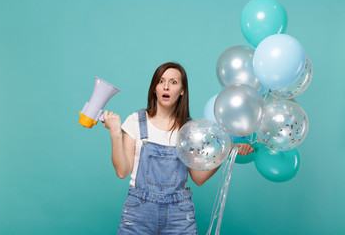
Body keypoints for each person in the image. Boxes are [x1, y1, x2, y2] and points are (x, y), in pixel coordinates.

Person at [102, 62, 254, 234]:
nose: (166, 86)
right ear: (154, 88)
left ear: (182, 90)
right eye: (161, 81)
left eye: (173, 82)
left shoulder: (190, 130)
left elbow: (198, 178)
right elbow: (122, 171)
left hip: (179, 213)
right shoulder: (136, 121)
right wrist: (115, 133)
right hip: (139, 211)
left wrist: (224, 150)